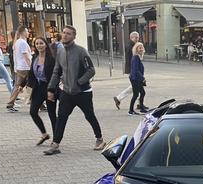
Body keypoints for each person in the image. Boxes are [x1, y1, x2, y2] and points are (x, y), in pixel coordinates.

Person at [44, 25, 105, 155]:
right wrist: (50, 89)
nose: (65, 35)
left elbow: (91, 70)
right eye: (64, 33)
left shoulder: (81, 51)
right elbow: (56, 72)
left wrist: (79, 82)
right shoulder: (60, 53)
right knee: (61, 117)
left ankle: (100, 139)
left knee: (89, 116)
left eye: (68, 34)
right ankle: (55, 144)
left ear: (74, 37)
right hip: (66, 92)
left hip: (83, 92)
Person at [18, 36, 58, 145]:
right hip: (38, 89)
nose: (39, 46)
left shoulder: (51, 59)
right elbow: (30, 74)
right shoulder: (35, 58)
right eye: (37, 44)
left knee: (52, 114)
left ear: (46, 44)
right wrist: (22, 85)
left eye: (41, 43)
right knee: (33, 112)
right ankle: (44, 134)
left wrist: (52, 90)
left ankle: (56, 140)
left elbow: (56, 75)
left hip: (49, 89)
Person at [113, 31, 143, 110]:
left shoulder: (133, 46)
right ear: (131, 38)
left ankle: (140, 103)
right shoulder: (130, 47)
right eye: (136, 38)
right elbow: (130, 60)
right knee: (134, 87)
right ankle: (119, 98)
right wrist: (133, 71)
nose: (137, 39)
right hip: (132, 70)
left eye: (138, 38)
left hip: (133, 70)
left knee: (137, 88)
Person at [6, 26, 31, 112]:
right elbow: (26, 57)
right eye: (27, 31)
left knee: (18, 86)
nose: (28, 33)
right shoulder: (23, 43)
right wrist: (31, 67)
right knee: (33, 85)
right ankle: (40, 104)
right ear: (23, 33)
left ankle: (10, 103)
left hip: (20, 67)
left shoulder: (17, 42)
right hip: (25, 67)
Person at [128, 42, 146, 116]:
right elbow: (135, 69)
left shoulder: (137, 57)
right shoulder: (135, 57)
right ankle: (131, 110)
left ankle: (142, 108)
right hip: (135, 78)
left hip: (138, 78)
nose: (141, 49)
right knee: (135, 94)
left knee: (142, 92)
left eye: (142, 47)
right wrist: (142, 78)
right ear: (136, 49)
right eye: (139, 48)